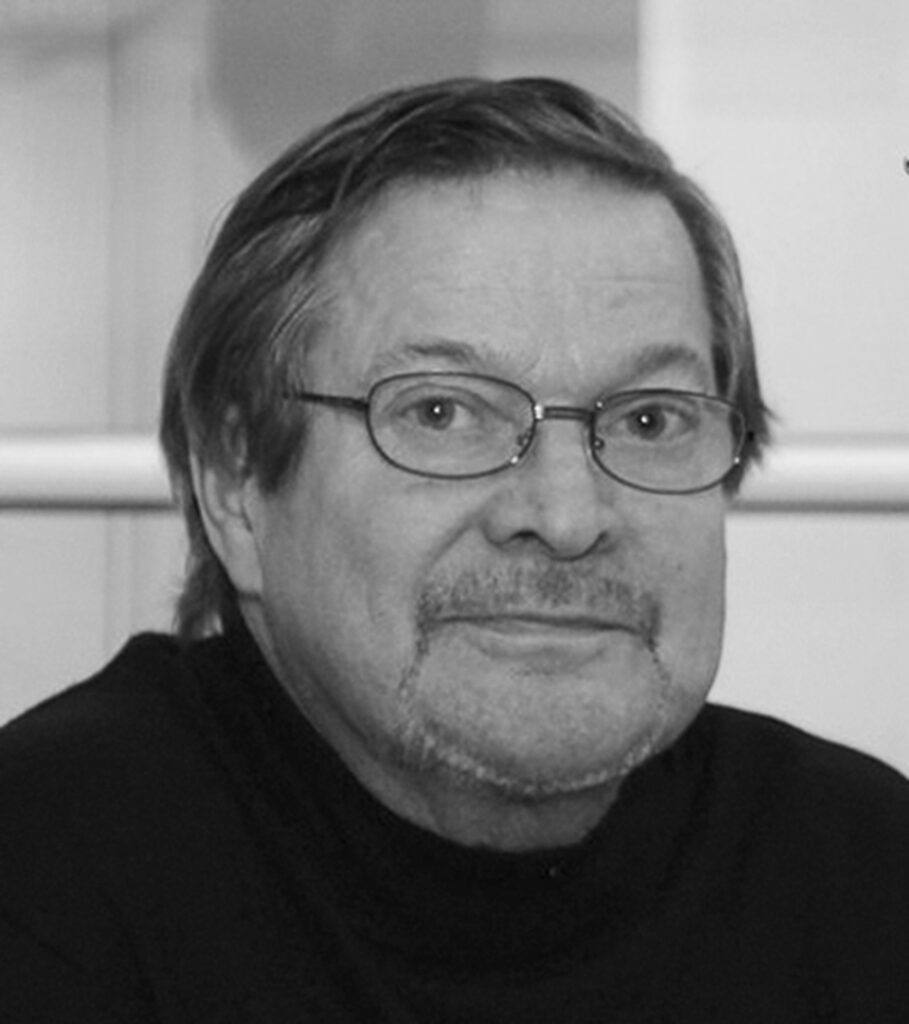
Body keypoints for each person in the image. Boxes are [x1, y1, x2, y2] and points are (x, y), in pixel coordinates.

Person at [1, 77, 907, 1024]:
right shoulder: (43, 883)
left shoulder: (861, 876)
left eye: (648, 420)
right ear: (236, 485)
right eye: (440, 412)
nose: (566, 516)